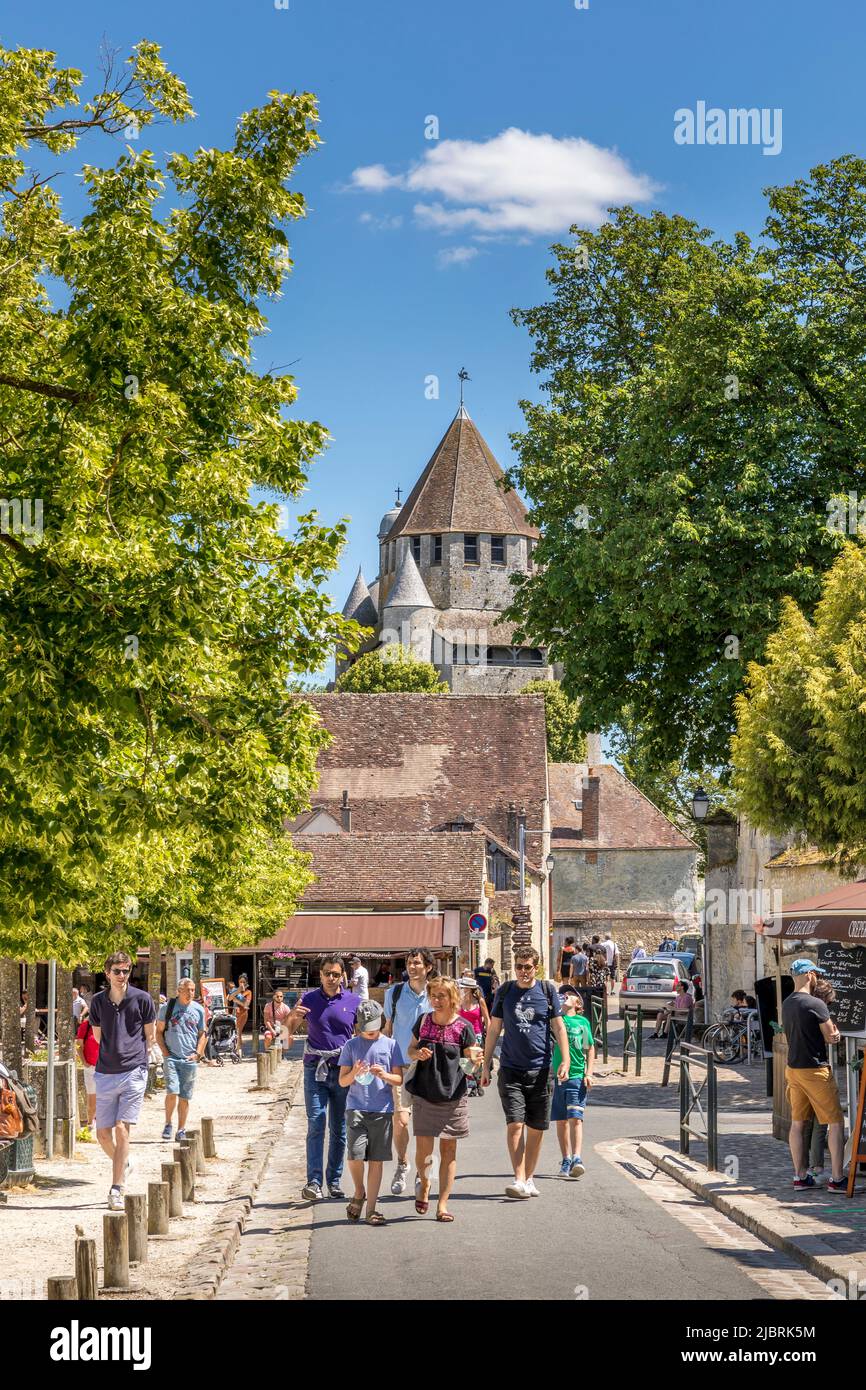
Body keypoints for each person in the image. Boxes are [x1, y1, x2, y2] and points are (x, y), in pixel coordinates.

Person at [481, 946, 570, 1199]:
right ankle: (518, 1178)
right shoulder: (505, 991)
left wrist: (564, 1060)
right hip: (511, 1068)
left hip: (541, 1070)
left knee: (536, 1128)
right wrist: (486, 1065)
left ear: (536, 967)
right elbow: (494, 1028)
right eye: (519, 966)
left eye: (527, 967)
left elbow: (558, 1027)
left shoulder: (547, 990)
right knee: (515, 1125)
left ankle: (529, 1178)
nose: (522, 971)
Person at [285, 955, 361, 1202]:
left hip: (343, 1070)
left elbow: (363, 1036)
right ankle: (314, 1182)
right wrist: (294, 1017)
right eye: (327, 973)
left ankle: (335, 1181)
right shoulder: (309, 999)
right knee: (316, 1124)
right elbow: (286, 1035)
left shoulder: (353, 1001)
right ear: (320, 974)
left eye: (336, 974)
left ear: (343, 977)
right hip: (314, 1069)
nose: (331, 978)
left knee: (338, 1129)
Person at [407, 977, 481, 1222]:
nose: (436, 1001)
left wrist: (475, 1060)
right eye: (434, 996)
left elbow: (469, 1062)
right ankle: (425, 1183)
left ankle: (443, 1204)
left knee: (449, 1150)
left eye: (441, 996)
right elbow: (410, 1049)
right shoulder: (424, 1021)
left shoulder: (462, 1027)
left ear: (453, 999)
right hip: (425, 1093)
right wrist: (418, 1053)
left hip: (453, 1096)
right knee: (424, 1151)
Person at [88, 950, 156, 1211]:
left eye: (126, 970)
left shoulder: (142, 999)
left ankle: (116, 1188)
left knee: (121, 1128)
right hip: (105, 1071)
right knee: (102, 1134)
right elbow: (96, 1036)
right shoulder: (97, 1002)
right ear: (107, 973)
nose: (121, 975)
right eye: (116, 971)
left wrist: (136, 1056)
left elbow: (149, 1034)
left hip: (133, 1070)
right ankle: (125, 1162)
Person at [338, 1000, 405, 1226]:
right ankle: (359, 1191)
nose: (371, 1031)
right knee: (355, 1155)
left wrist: (384, 1075)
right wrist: (355, 1072)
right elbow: (342, 1081)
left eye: (374, 1026)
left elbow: (399, 1079)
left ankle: (371, 1209)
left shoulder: (391, 1045)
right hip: (356, 1108)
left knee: (376, 1160)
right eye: (366, 1027)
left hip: (382, 1110)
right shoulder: (351, 1046)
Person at [782, 959, 846, 1192]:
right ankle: (837, 1179)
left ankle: (800, 1177)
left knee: (798, 1123)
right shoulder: (816, 1004)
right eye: (816, 974)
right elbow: (831, 1037)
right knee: (835, 1123)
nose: (817, 978)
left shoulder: (787, 1003)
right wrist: (836, 1033)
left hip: (793, 1069)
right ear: (809, 975)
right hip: (815, 1070)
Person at [383, 947, 434, 1195]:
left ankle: (421, 1172)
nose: (412, 967)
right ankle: (402, 1164)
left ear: (428, 968)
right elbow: (387, 1029)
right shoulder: (394, 994)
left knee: (425, 1126)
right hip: (401, 1066)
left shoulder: (437, 995)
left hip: (430, 1068)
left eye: (417, 963)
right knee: (402, 1121)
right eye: (409, 963)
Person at [156, 976, 207, 1141]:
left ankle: (181, 1130)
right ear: (179, 991)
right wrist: (165, 1052)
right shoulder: (167, 1008)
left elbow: (202, 1034)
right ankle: (168, 1123)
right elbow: (158, 1032)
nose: (191, 993)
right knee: (172, 1090)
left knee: (185, 1096)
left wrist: (198, 1054)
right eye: (187, 990)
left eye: (192, 990)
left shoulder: (198, 1009)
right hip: (171, 1057)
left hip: (190, 1059)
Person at [552, 990, 595, 1178]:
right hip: (559, 1077)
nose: (565, 996)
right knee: (561, 1120)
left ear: (578, 1004)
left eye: (570, 995)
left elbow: (590, 1047)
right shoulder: (555, 1019)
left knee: (576, 1118)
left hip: (577, 1075)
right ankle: (566, 1158)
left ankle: (577, 1157)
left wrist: (589, 1072)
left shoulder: (582, 1022)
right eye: (563, 994)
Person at [75, 1005, 99, 1127]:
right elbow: (79, 1045)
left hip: (107, 1067)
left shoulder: (110, 1024)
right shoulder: (86, 1026)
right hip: (91, 1067)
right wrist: (84, 1062)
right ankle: (90, 1123)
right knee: (92, 1097)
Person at [263, 989, 293, 1057]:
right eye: (277, 996)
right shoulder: (268, 1006)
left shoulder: (286, 1008)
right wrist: (272, 1030)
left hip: (281, 1027)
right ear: (274, 997)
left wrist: (283, 1030)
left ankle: (281, 1053)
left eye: (281, 996)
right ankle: (268, 1054)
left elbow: (288, 1021)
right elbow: (266, 1020)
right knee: (268, 1037)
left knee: (290, 1038)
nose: (279, 998)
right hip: (271, 1027)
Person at [228, 976, 251, 1051]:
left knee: (238, 1031)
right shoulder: (235, 990)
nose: (242, 983)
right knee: (235, 1032)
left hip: (243, 1013)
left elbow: (246, 1005)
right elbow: (230, 998)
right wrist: (238, 991)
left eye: (244, 982)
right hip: (235, 1012)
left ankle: (238, 1050)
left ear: (246, 982)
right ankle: (237, 1050)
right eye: (240, 982)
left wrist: (237, 1001)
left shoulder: (248, 992)